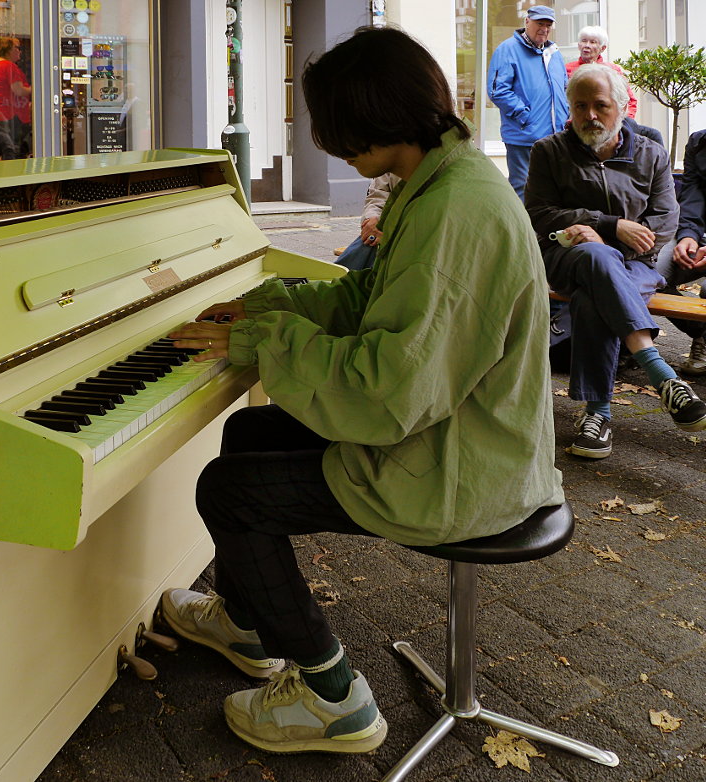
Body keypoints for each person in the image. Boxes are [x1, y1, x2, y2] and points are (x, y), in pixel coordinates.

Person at [159, 26, 564, 755]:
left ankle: (333, 695)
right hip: (455, 433)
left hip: (461, 465)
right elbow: (367, 304)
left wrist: (264, 342)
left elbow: (392, 391)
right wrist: (264, 306)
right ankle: (252, 622)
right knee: (251, 434)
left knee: (228, 491)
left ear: (371, 119)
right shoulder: (439, 181)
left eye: (333, 126)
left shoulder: (452, 210)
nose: (327, 142)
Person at [526, 63, 706, 460]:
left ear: (622, 107)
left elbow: (665, 218)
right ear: (569, 109)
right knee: (593, 254)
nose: (590, 115)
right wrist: (608, 224)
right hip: (566, 257)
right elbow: (538, 213)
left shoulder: (650, 154)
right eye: (580, 106)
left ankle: (598, 414)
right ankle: (661, 373)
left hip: (634, 264)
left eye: (600, 105)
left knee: (597, 290)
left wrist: (616, 242)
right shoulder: (548, 152)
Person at [487, 5, 568, 200]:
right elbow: (497, 90)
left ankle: (542, 229)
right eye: (540, 23)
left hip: (555, 136)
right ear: (527, 22)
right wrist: (525, 116)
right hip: (524, 136)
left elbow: (564, 87)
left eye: (548, 25)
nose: (544, 29)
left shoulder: (553, 52)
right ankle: (520, 230)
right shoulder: (508, 49)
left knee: (553, 188)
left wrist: (566, 116)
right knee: (523, 188)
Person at [656, 128, 706, 375]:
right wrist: (688, 236)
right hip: (697, 233)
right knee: (653, 277)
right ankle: (702, 335)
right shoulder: (698, 142)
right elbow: (691, 197)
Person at [565, 25, 664, 148]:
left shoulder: (612, 70)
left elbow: (630, 100)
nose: (587, 45)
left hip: (614, 122)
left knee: (654, 135)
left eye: (593, 42)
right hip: (582, 123)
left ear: (603, 48)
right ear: (579, 44)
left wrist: (618, 120)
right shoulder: (568, 70)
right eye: (584, 41)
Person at [335, 172, 399, 270]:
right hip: (385, 227)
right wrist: (373, 219)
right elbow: (378, 196)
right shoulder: (387, 163)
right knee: (368, 240)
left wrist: (392, 232)